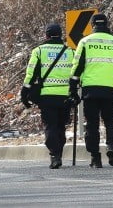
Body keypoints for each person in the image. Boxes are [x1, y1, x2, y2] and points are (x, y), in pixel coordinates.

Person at [69, 13, 113, 168]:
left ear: (92, 25)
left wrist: (73, 87)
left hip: (90, 89)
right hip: (110, 88)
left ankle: (95, 157)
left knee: (92, 124)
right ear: (107, 24)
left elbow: (77, 66)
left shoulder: (85, 42)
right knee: (110, 122)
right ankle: (111, 147)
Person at [20, 23, 76, 169]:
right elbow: (76, 73)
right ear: (61, 34)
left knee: (50, 126)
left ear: (46, 35)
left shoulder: (38, 51)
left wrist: (25, 93)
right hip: (65, 96)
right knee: (61, 126)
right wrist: (75, 93)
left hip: (46, 95)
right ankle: (59, 153)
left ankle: (54, 155)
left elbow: (30, 74)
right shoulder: (70, 51)